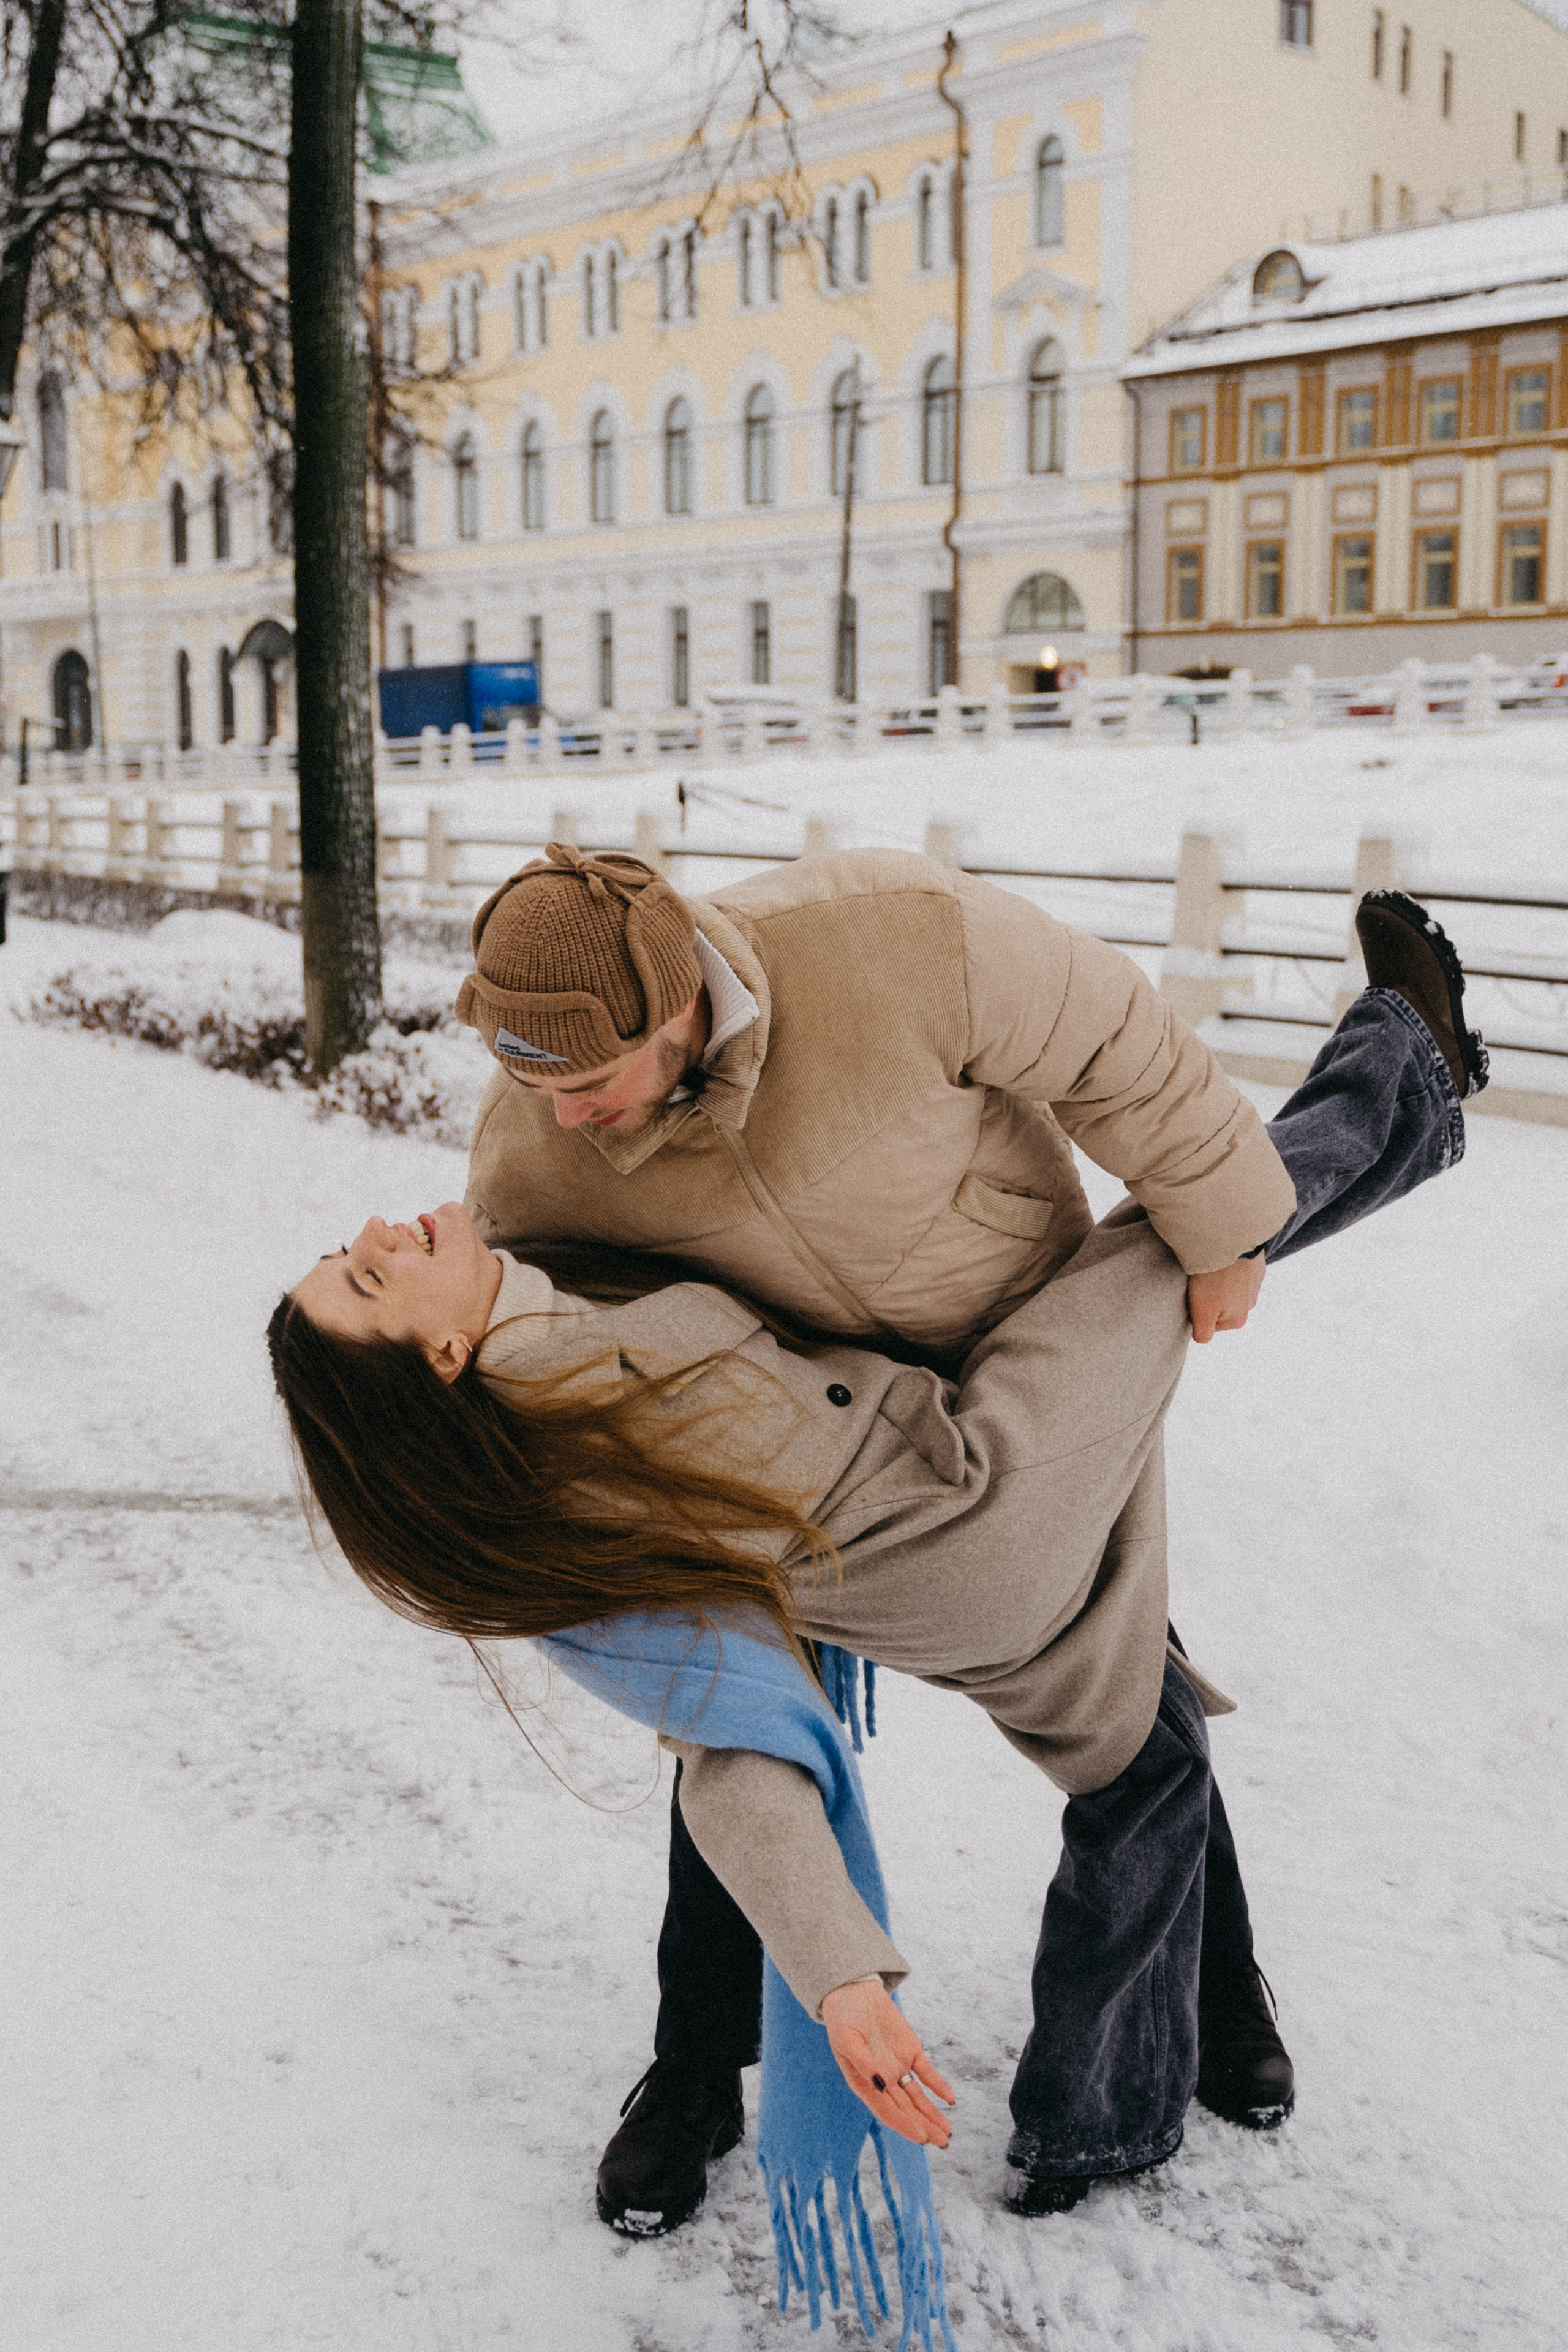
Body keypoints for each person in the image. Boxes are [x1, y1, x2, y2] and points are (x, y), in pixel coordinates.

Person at [272, 867, 1487, 2225]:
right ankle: (699, 2072)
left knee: (1131, 1687)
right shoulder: (533, 1219)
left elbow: (1109, 1039)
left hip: (972, 1364)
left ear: (675, 1006)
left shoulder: (881, 940)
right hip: (923, 1480)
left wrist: (1222, 1227)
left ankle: (1195, 2016)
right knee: (771, 1685)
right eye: (531, 1081)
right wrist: (841, 1968)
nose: (562, 1116)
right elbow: (721, 1726)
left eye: (592, 1078)